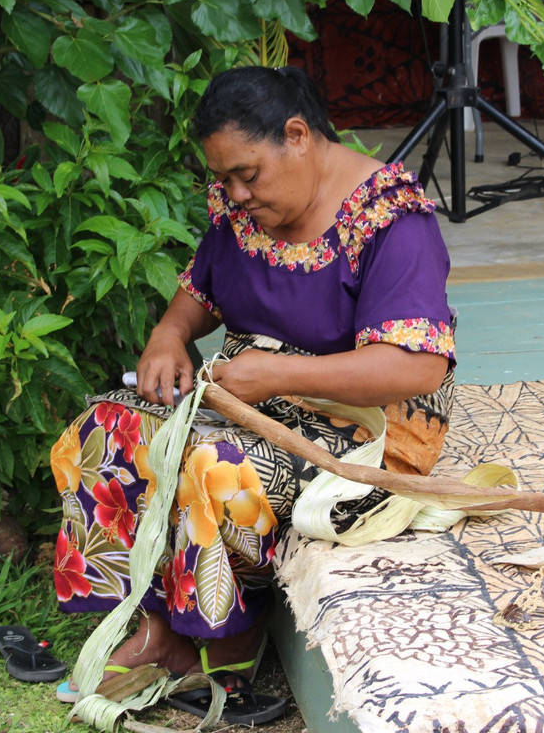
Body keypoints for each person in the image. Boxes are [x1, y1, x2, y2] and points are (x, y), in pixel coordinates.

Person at [49, 65, 456, 723]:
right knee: (105, 431)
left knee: (216, 468)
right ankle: (155, 627)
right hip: (249, 395)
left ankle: (224, 637)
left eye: (247, 174)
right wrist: (167, 335)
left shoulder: (390, 218)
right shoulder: (246, 205)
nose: (234, 194)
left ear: (297, 136)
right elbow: (201, 293)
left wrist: (276, 375)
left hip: (363, 429)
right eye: (224, 179)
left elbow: (416, 369)